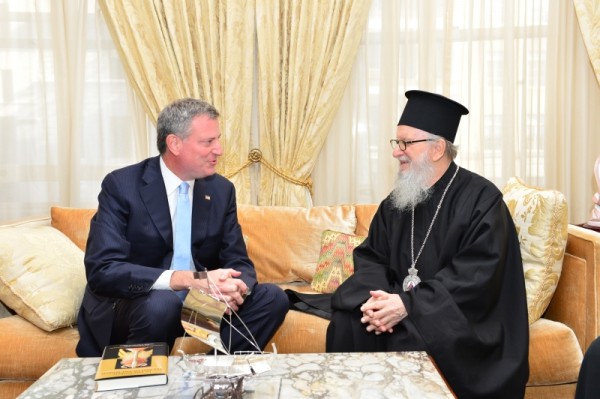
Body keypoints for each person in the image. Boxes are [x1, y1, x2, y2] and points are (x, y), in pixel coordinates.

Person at [326, 90, 529, 398]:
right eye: (397, 142)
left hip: (458, 320)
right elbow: (371, 257)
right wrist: (381, 302)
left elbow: (475, 278)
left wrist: (408, 305)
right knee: (348, 321)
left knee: (409, 334)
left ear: (436, 149)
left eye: (406, 143)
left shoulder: (482, 201)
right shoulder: (398, 201)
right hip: (406, 306)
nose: (397, 152)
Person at [76, 98, 289, 357]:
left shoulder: (221, 191)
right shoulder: (122, 186)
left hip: (200, 306)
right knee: (162, 304)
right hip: (137, 303)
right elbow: (103, 269)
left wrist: (234, 289)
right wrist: (191, 280)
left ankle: (213, 376)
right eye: (208, 142)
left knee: (273, 298)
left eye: (218, 139)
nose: (219, 150)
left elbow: (238, 261)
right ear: (175, 144)